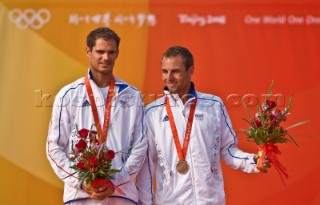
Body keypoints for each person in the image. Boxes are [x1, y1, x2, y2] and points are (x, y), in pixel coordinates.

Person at [136, 46, 270, 205]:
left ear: (190, 70)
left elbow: (227, 149)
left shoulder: (213, 105)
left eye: (175, 71)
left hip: (210, 201)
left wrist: (253, 161)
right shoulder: (152, 113)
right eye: (164, 71)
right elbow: (147, 167)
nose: (168, 77)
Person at [46, 27, 147, 205]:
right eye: (100, 51)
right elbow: (54, 147)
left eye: (111, 52)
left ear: (117, 53)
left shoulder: (133, 95)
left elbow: (140, 147)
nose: (106, 58)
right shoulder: (68, 94)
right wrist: (81, 181)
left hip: (121, 195)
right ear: (88, 51)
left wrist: (114, 182)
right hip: (80, 196)